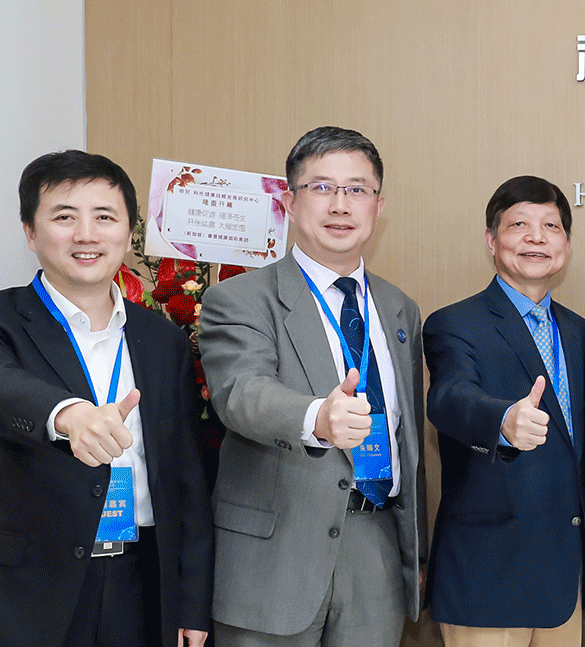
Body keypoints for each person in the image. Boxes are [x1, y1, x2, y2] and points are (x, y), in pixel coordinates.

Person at [0, 150, 212, 647]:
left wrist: (192, 603)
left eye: (105, 217)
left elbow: (187, 477)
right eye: (64, 217)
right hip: (23, 591)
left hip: (142, 584)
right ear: (30, 232)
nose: (86, 235)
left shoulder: (163, 340)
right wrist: (67, 415)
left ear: (128, 232)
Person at [199, 126, 426, 646]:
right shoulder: (239, 298)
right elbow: (241, 393)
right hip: (275, 556)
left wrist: (414, 553)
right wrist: (316, 418)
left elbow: (408, 436)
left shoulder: (400, 309)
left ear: (378, 205)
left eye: (357, 189)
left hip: (375, 548)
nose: (340, 204)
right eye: (321, 187)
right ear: (289, 202)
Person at [423, 176, 585, 646]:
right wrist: (502, 420)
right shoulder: (455, 323)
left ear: (566, 244)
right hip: (487, 576)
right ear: (491, 240)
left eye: (551, 226)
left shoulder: (582, 334)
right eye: (519, 225)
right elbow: (449, 397)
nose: (536, 237)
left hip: (562, 578)